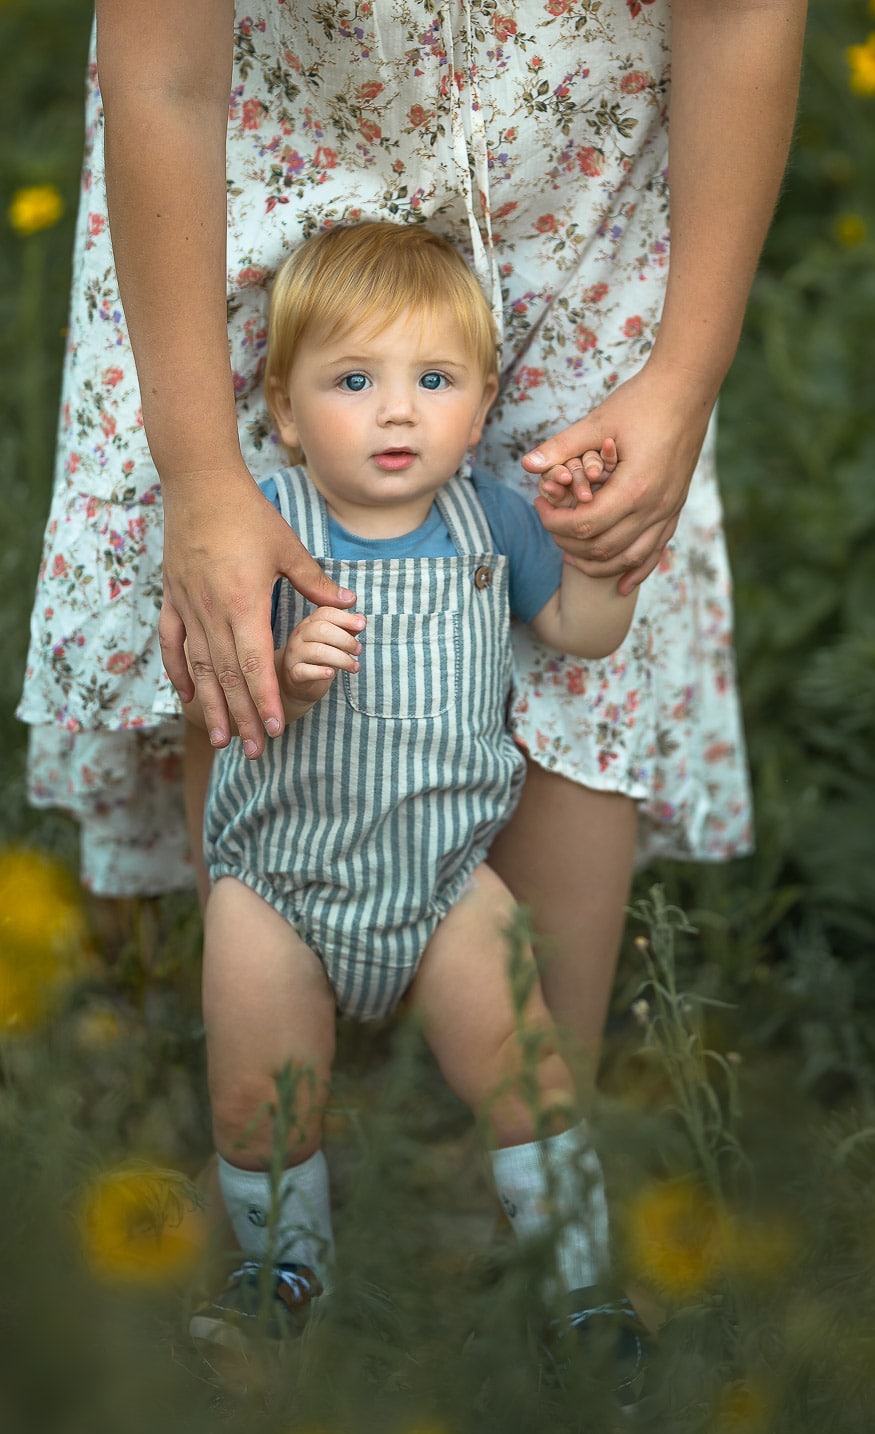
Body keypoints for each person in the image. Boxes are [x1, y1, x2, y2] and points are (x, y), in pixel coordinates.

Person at [19, 5, 806, 1065]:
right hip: (278, 137)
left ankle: (533, 1141)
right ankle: (273, 1125)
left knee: (594, 512)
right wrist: (202, 476)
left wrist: (683, 375)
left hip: (582, 153)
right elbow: (162, 75)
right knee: (240, 591)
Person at [183, 221, 642, 1372]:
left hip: (446, 883)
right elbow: (204, 690)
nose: (398, 412)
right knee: (258, 1100)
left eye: (432, 381)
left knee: (530, 1074)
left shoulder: (496, 522)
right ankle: (284, 1274)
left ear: (480, 409)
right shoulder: (262, 524)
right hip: (276, 887)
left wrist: (603, 560)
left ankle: (578, 1285)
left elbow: (583, 639)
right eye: (355, 380)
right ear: (284, 409)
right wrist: (283, 668)